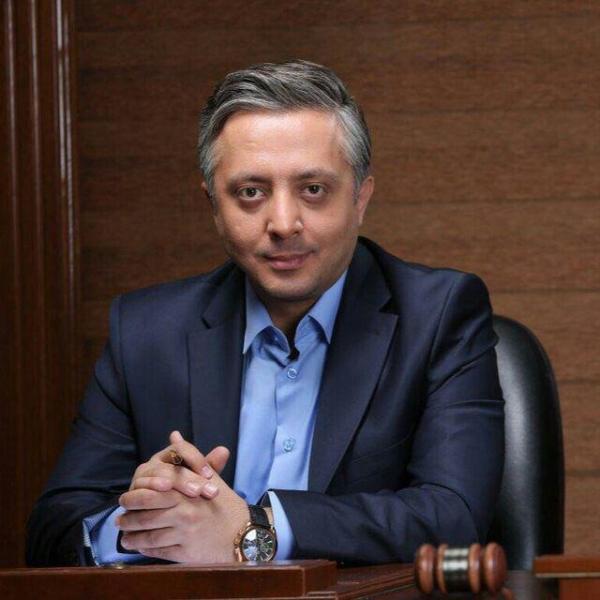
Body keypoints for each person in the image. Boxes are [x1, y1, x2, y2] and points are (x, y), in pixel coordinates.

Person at [26, 60, 504, 567]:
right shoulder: (145, 333)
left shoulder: (438, 315)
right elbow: (55, 530)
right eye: (251, 192)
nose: (283, 223)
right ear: (214, 205)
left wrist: (255, 529)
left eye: (313, 189)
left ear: (360, 197)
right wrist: (151, 521)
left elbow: (454, 514)